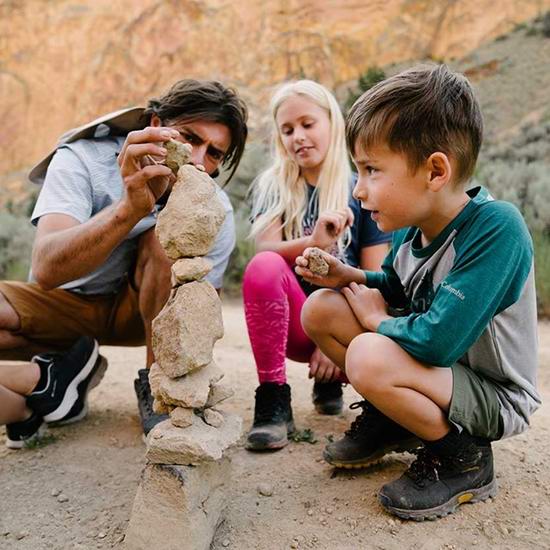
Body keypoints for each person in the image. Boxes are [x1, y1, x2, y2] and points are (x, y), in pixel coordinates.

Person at [297, 64, 540, 520]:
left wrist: (374, 321)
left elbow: (438, 340)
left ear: (434, 170)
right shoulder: (411, 232)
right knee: (322, 310)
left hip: (492, 394)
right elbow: (394, 286)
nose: (360, 190)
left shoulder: (495, 228)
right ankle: (396, 420)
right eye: (357, 171)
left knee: (370, 352)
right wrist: (349, 277)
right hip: (440, 374)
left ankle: (462, 458)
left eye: (371, 170)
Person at [0, 79, 248, 446]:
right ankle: (56, 376)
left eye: (214, 154)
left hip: (143, 315)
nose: (197, 160)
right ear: (154, 123)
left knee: (164, 241)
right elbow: (47, 269)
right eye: (189, 138)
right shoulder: (82, 158)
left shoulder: (214, 210)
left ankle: (156, 386)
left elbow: (198, 318)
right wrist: (129, 210)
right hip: (63, 305)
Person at [243, 80, 390, 451]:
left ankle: (331, 380)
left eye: (308, 124)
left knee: (366, 294)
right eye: (288, 130)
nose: (298, 137)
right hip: (291, 320)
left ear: (332, 123)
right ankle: (273, 399)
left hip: (345, 324)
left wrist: (331, 337)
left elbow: (377, 281)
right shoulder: (271, 186)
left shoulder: (360, 189)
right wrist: (313, 244)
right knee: (262, 266)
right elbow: (266, 250)